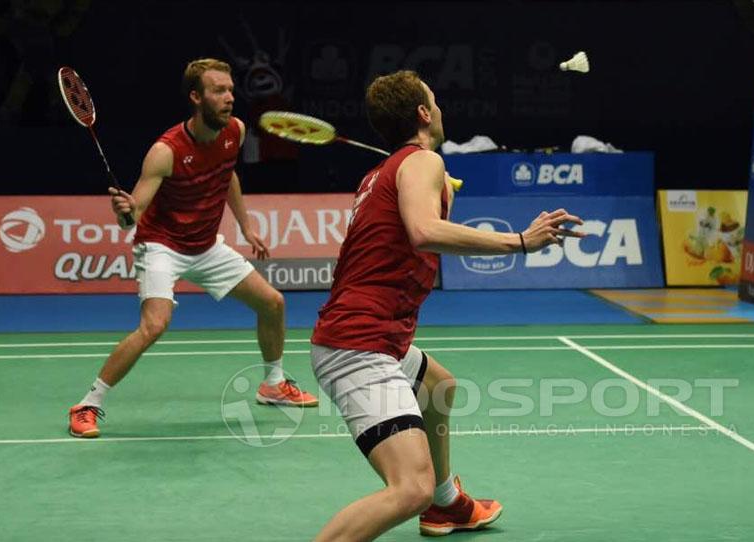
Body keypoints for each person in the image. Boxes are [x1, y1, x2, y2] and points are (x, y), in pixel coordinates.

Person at [309, 70, 584, 540]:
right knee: (407, 488)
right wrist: (518, 241)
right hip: (360, 343)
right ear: (422, 113)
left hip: (371, 336)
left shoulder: (384, 173)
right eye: (434, 101)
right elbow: (423, 232)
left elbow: (409, 234)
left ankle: (446, 505)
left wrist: (438, 193)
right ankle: (428, 497)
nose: (439, 108)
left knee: (439, 386)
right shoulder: (420, 163)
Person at [68, 58, 318, 438]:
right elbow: (133, 214)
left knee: (273, 303)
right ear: (196, 97)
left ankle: (273, 385)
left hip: (205, 246)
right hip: (162, 246)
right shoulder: (165, 151)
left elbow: (228, 171)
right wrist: (124, 212)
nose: (229, 97)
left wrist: (246, 225)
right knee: (154, 325)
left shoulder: (234, 130)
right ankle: (88, 403)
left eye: (231, 89)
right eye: (219, 91)